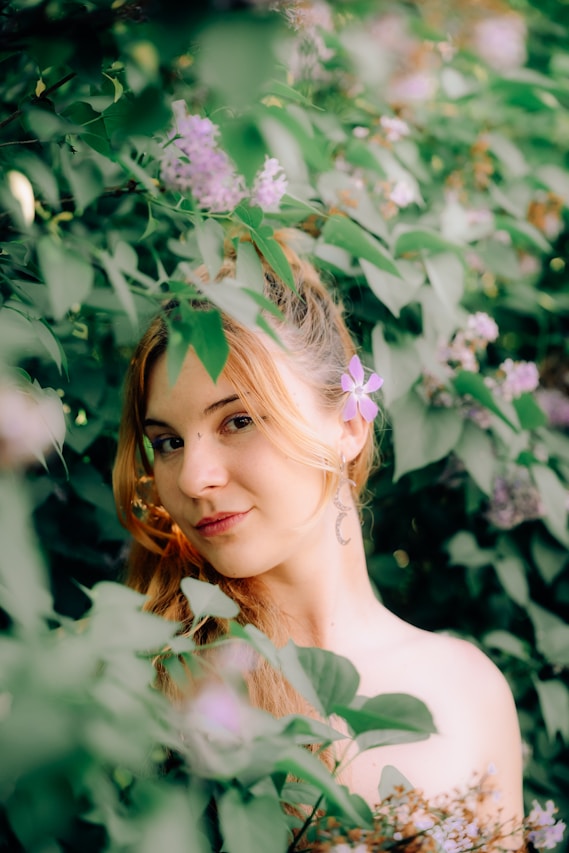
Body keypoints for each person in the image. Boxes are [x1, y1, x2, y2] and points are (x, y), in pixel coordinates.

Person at [113, 236, 524, 837]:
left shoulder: (469, 691)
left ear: (351, 423)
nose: (195, 478)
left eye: (238, 420)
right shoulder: (150, 683)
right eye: (169, 442)